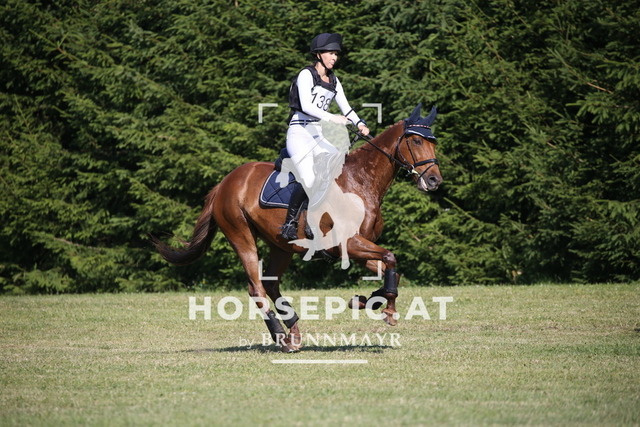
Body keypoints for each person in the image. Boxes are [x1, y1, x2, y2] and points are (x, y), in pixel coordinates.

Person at [281, 33, 370, 240]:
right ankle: (290, 223)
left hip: (317, 133)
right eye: (331, 53)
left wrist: (359, 123)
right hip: (299, 132)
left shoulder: (334, 80)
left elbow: (346, 107)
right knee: (309, 178)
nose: (334, 58)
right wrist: (332, 118)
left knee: (338, 167)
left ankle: (319, 217)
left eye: (336, 54)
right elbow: (306, 105)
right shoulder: (306, 75)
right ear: (318, 54)